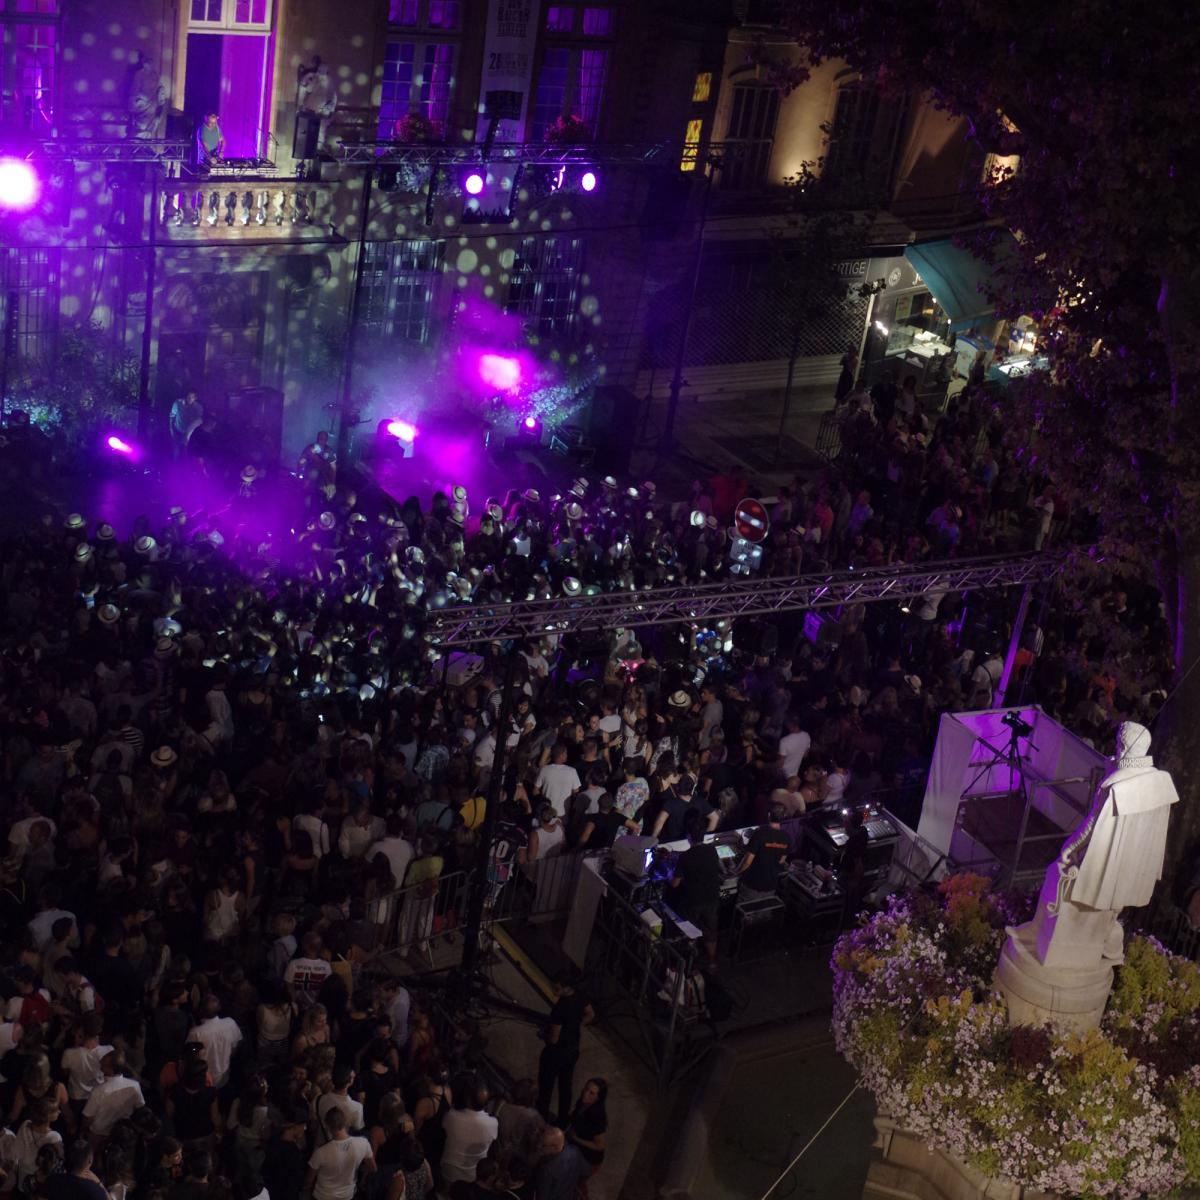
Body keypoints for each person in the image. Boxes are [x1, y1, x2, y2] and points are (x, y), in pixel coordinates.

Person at [536, 972, 593, 1127]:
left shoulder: (560, 1008)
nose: (553, 989)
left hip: (556, 1053)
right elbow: (590, 1014)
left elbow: (554, 1038)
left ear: (566, 988)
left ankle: (540, 1119)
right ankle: (562, 1121)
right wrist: (575, 1025)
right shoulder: (580, 996)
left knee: (546, 1087)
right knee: (565, 1086)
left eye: (557, 987)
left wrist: (543, 1036)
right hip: (572, 1049)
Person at [669, 810, 722, 966]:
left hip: (693, 901)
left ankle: (690, 963)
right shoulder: (711, 850)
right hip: (712, 898)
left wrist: (668, 873)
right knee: (711, 932)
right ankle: (712, 962)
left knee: (690, 932)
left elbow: (675, 884)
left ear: (689, 836)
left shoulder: (685, 857)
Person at [439, 1074, 497, 1188]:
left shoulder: (452, 1117)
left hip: (450, 1171)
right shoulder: (493, 1123)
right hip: (473, 1175)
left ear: (468, 1100)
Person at [306, 1107, 375, 1200]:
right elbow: (373, 1168)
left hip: (323, 1196)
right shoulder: (363, 1143)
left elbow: (309, 1180)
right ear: (345, 1122)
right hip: (347, 1196)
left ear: (328, 1126)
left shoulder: (321, 1152)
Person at [737, 803, 790, 901]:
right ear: (784, 817)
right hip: (770, 886)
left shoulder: (760, 834)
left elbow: (747, 861)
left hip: (752, 885)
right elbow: (781, 862)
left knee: (746, 913)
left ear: (769, 815)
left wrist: (736, 873)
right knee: (762, 914)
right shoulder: (786, 838)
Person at [564, 1078, 607, 1168]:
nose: (585, 1093)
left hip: (588, 1157)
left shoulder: (597, 1116)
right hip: (576, 1140)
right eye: (586, 1088)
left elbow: (600, 1146)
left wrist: (575, 1138)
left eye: (591, 1093)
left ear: (598, 1098)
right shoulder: (583, 1102)